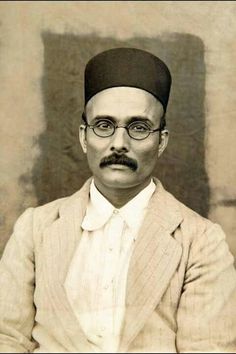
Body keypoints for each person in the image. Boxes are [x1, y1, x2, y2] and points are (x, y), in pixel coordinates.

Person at [0, 47, 236, 353]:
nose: (119, 144)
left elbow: (209, 348)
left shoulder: (201, 241)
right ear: (84, 137)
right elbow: (6, 337)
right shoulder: (35, 229)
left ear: (161, 140)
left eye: (139, 128)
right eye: (104, 125)